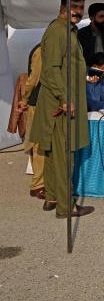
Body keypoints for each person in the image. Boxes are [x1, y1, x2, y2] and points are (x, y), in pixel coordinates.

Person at [29, 0, 94, 218]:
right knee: (64, 155)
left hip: (59, 101)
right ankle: (66, 207)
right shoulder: (58, 31)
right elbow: (51, 70)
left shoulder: (67, 30)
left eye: (80, 7)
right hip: (61, 103)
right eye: (74, 6)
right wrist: (65, 98)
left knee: (52, 152)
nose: (78, 11)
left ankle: (52, 197)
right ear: (63, 6)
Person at [17, 44, 45, 199]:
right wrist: (25, 99)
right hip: (38, 102)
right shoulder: (42, 50)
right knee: (39, 145)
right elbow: (34, 78)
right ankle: (38, 185)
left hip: (44, 102)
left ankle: (41, 183)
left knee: (41, 144)